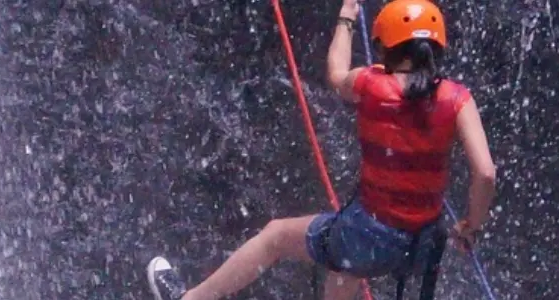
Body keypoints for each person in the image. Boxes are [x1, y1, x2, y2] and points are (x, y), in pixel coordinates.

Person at [176, 0, 497, 299]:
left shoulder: (371, 84)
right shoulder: (457, 98)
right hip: (421, 246)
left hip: (368, 235)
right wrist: (472, 225)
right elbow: (485, 172)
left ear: (386, 47)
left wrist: (346, 16)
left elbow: (335, 73)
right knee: (344, 271)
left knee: (276, 237)